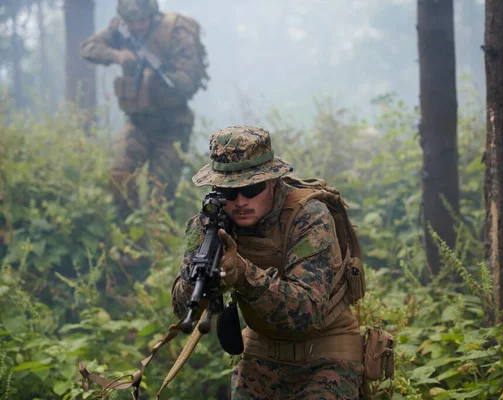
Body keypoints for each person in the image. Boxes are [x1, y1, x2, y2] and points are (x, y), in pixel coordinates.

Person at [171, 125, 365, 399]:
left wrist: (243, 274)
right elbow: (181, 308)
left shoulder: (308, 216)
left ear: (272, 181)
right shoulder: (207, 225)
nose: (240, 201)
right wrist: (200, 280)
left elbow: (307, 312)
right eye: (228, 192)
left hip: (325, 353)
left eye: (251, 188)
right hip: (261, 353)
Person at [80, 0, 209, 219]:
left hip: (172, 127)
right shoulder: (120, 29)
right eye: (131, 22)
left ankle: (158, 243)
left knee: (160, 197)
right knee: (119, 179)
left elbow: (190, 80)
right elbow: (89, 48)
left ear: (152, 14)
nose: (137, 26)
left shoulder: (176, 32)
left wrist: (159, 77)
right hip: (138, 123)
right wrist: (118, 56)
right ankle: (129, 241)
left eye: (141, 20)